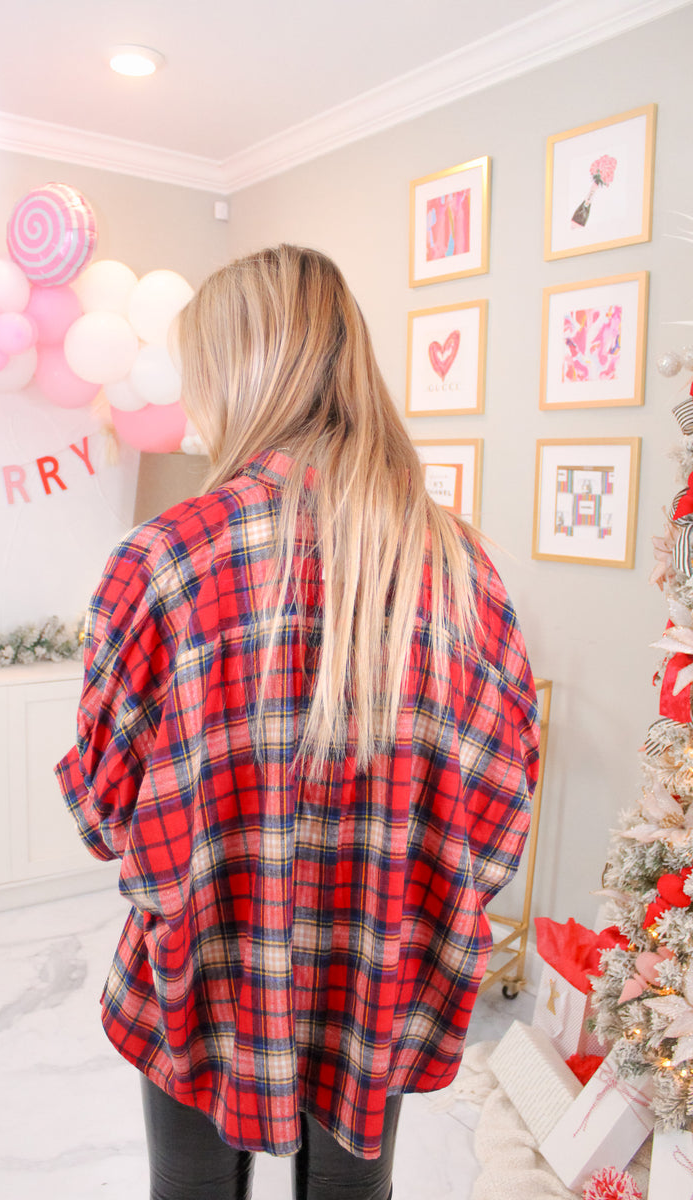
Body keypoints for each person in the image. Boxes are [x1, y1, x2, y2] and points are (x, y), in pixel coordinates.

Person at [56, 244, 540, 1200]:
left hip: (203, 974)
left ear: (243, 378)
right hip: (375, 979)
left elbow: (102, 815)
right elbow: (497, 818)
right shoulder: (460, 567)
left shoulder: (164, 562)